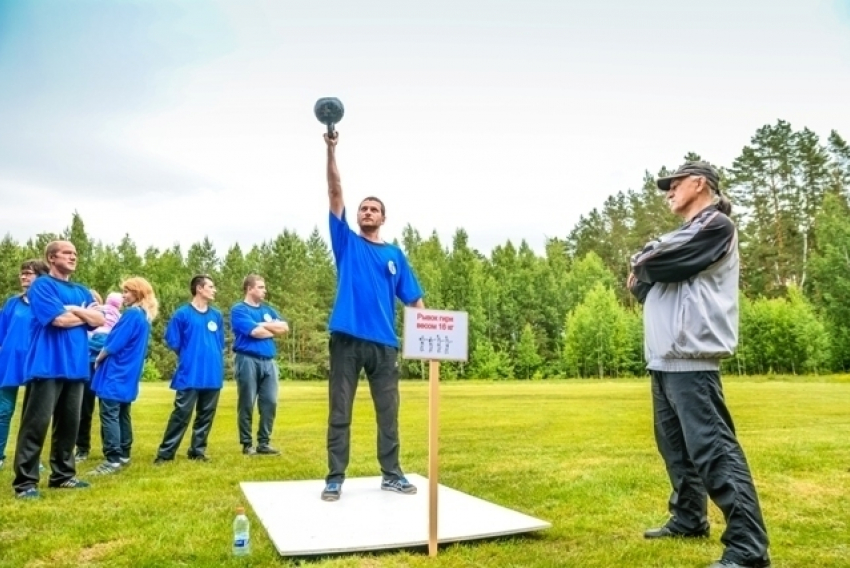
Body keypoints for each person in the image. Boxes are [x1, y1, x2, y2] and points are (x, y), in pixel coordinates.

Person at [627, 161, 770, 568]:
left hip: (693, 358)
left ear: (699, 183)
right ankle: (689, 518)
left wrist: (646, 261)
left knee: (715, 452)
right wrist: (648, 264)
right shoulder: (684, 233)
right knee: (677, 451)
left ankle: (747, 548)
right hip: (664, 359)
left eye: (673, 184)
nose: (668, 192)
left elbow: (651, 265)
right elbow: (642, 283)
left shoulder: (715, 226)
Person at [320, 131, 425, 502]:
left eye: (373, 209)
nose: (366, 212)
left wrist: (429, 341)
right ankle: (335, 477)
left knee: (388, 414)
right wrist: (331, 150)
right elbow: (335, 191)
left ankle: (391, 474)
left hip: (384, 345)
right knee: (340, 410)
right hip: (346, 340)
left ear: (383, 217)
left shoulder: (395, 255)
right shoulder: (345, 241)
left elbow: (414, 302)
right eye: (363, 208)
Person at [12, 240, 106, 499]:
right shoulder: (42, 285)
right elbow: (58, 320)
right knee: (36, 425)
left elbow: (100, 319)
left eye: (75, 253)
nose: (73, 257)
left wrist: (74, 309)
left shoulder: (82, 291)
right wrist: (82, 315)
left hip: (75, 368)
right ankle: (25, 483)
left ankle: (63, 476)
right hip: (47, 365)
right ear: (52, 258)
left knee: (69, 426)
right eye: (67, 253)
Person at [88, 278, 157, 475]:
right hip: (129, 372)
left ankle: (112, 459)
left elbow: (114, 343)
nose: (123, 295)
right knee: (122, 413)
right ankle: (124, 453)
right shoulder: (144, 317)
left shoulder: (131, 315)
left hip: (116, 371)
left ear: (138, 293)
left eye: (127, 292)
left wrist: (99, 358)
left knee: (109, 413)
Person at [154, 275, 224, 464]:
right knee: (181, 414)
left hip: (212, 372)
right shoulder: (182, 314)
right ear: (199, 289)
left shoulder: (216, 315)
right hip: (190, 372)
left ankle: (197, 451)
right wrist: (190, 355)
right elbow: (173, 341)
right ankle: (165, 454)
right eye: (211, 286)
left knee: (206, 414)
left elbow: (219, 342)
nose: (214, 289)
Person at [229, 274, 289, 456]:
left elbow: (284, 328)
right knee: (247, 402)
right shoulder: (239, 310)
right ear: (250, 288)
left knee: (270, 402)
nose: (265, 290)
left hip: (269, 361)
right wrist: (270, 328)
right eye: (261, 287)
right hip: (247, 359)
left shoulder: (268, 310)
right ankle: (247, 444)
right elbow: (255, 332)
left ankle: (264, 442)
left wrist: (263, 325)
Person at [0, 260, 49, 470]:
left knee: (33, 416)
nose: (23, 277)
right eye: (22, 274)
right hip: (9, 363)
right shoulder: (12, 303)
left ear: (40, 277)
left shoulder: (47, 303)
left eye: (28, 274)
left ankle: (31, 460)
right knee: (3, 410)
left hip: (36, 364)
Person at [76, 290, 123, 462]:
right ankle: (82, 448)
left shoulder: (112, 317)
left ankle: (110, 448)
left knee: (108, 409)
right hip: (86, 365)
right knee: (84, 409)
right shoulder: (81, 319)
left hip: (105, 365)